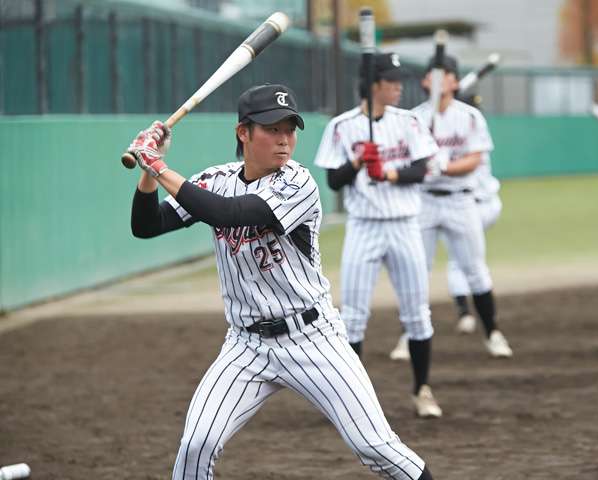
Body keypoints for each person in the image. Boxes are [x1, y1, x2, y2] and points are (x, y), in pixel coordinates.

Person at [126, 83, 436, 480]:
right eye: (272, 129)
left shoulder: (298, 182)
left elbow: (228, 213)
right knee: (195, 445)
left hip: (313, 338)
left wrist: (158, 164)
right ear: (243, 133)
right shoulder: (216, 178)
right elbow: (146, 225)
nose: (284, 139)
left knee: (376, 447)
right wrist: (149, 174)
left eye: (289, 129)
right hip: (245, 345)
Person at [313, 52, 443, 418]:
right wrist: (357, 162)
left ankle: (422, 390)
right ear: (373, 84)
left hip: (405, 225)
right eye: (391, 81)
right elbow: (333, 180)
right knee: (351, 318)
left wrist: (387, 172)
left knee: (418, 315)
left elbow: (421, 170)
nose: (399, 87)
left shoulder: (410, 122)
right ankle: (351, 401)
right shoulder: (342, 126)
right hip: (364, 226)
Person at [401, 54, 512, 359]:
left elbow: (474, 160)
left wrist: (444, 166)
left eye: (446, 74)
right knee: (417, 271)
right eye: (434, 74)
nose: (440, 79)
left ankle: (493, 333)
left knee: (475, 271)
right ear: (425, 81)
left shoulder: (470, 117)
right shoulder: (414, 118)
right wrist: (426, 164)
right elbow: (408, 161)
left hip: (461, 200)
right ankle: (408, 338)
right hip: (424, 201)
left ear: (454, 80)